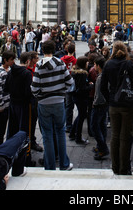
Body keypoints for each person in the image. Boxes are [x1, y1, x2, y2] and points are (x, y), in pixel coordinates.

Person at [31, 40, 74, 170]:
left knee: (47, 134)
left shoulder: (38, 65)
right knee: (60, 132)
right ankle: (64, 164)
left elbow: (34, 88)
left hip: (44, 103)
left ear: (42, 51)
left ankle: (49, 166)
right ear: (54, 49)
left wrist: (41, 95)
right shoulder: (60, 63)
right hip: (59, 102)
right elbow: (70, 82)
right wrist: (61, 92)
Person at [101, 40, 133, 175]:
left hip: (114, 104)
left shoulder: (108, 64)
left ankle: (115, 167)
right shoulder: (129, 64)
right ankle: (124, 168)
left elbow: (102, 87)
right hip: (127, 105)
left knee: (114, 136)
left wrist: (110, 99)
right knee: (125, 137)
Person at [0, 50, 16, 148]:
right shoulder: (0, 73)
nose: (13, 62)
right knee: (0, 130)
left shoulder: (8, 71)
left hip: (7, 104)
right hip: (1, 106)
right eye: (11, 60)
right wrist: (0, 105)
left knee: (6, 128)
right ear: (5, 60)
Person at [69, 56, 92, 145]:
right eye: (86, 63)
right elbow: (83, 88)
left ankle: (72, 133)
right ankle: (78, 137)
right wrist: (91, 86)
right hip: (81, 97)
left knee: (80, 115)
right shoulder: (82, 74)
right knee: (82, 116)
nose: (88, 64)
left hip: (76, 96)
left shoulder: (75, 72)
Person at [90, 56, 109, 160]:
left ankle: (103, 147)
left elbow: (98, 94)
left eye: (94, 65)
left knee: (94, 126)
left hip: (99, 105)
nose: (94, 66)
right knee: (102, 125)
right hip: (105, 104)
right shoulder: (105, 75)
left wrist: (95, 103)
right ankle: (100, 145)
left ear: (98, 66)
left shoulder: (100, 78)